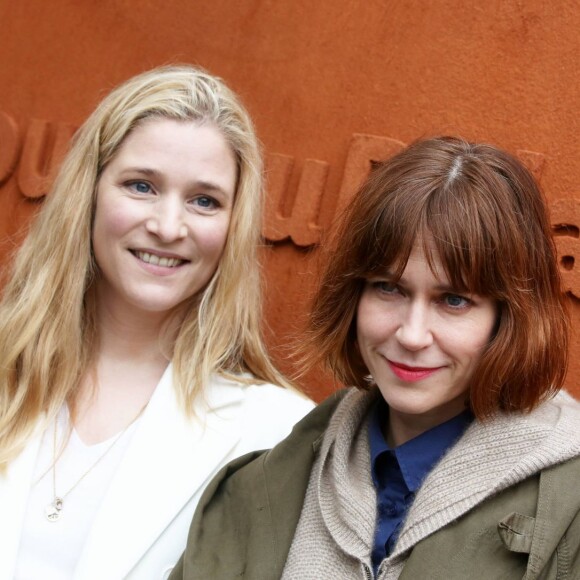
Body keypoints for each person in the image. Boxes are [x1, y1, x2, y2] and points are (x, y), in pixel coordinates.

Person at [170, 136, 580, 579]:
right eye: (390, 288)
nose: (412, 334)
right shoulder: (265, 483)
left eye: (454, 300)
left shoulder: (568, 504)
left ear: (508, 318)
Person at [0, 65, 314, 580]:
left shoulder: (274, 435)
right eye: (141, 186)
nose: (168, 226)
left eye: (204, 201)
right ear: (90, 192)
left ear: (233, 225)